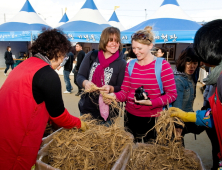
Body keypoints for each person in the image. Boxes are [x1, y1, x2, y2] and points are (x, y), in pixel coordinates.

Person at [0, 29, 88, 170]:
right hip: (17, 142)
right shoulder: (48, 74)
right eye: (64, 55)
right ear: (57, 52)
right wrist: (78, 123)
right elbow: (59, 116)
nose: (62, 60)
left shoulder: (24, 65)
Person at [108, 26, 177, 142]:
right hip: (130, 117)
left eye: (139, 48)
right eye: (134, 48)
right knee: (131, 151)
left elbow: (172, 95)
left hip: (153, 120)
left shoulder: (162, 66)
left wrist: (151, 102)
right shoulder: (130, 65)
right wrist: (114, 96)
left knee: (150, 154)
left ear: (150, 46)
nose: (136, 52)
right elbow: (125, 92)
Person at [170, 19, 222, 170]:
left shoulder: (216, 78)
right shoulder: (181, 80)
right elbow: (214, 116)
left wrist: (190, 117)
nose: (194, 65)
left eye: (196, 61)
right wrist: (185, 119)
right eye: (189, 62)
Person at [76, 26, 126, 122]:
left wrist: (111, 88)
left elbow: (122, 87)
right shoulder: (91, 56)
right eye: (110, 40)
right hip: (87, 108)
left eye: (116, 41)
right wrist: (85, 83)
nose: (114, 44)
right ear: (104, 41)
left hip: (108, 113)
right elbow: (80, 76)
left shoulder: (122, 63)